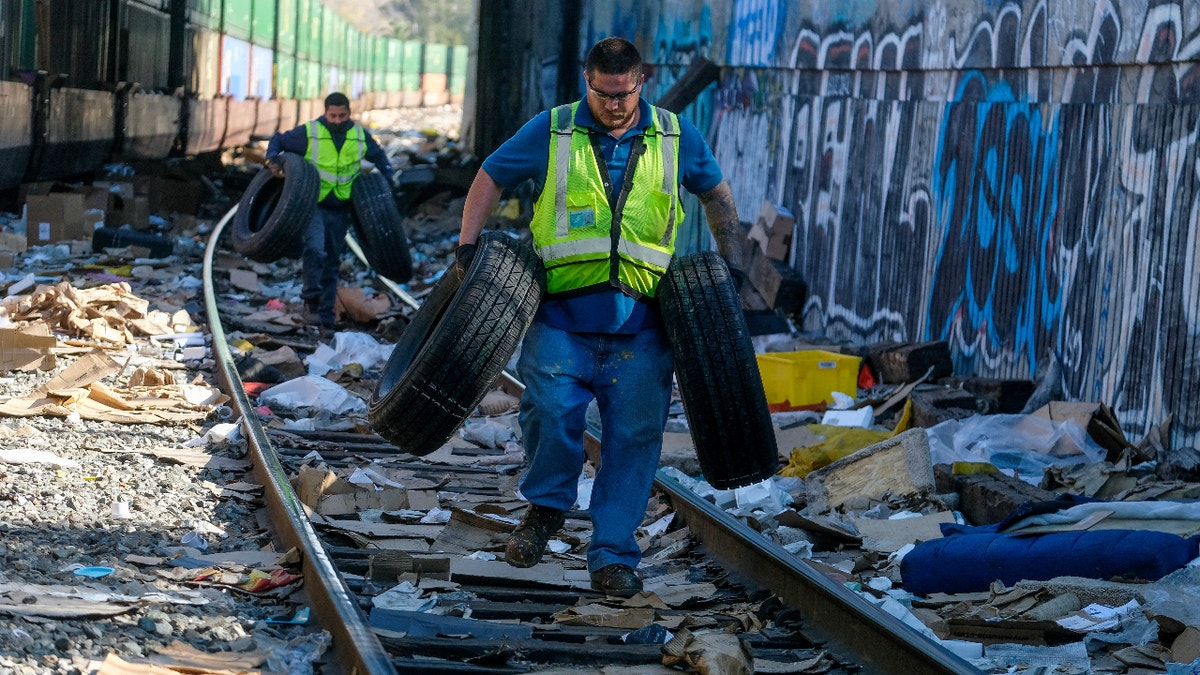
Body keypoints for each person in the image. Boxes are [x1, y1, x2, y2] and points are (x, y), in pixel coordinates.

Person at [456, 37, 745, 598]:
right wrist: (468, 246)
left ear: (643, 82)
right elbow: (491, 174)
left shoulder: (675, 135)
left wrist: (730, 267)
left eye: (625, 93)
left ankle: (613, 557)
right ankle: (545, 508)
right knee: (547, 412)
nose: (614, 104)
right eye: (603, 93)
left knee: (634, 442)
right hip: (562, 319)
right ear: (587, 81)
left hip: (643, 327)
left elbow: (716, 194)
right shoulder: (552, 128)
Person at [265, 92, 393, 330]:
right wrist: (273, 159)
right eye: (332, 115)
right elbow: (278, 140)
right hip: (314, 205)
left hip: (340, 208)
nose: (336, 120)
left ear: (349, 113)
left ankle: (325, 317)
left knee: (332, 260)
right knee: (315, 249)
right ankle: (311, 299)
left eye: (341, 115)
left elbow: (380, 158)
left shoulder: (359, 136)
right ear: (325, 112)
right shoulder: (310, 133)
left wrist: (388, 182)